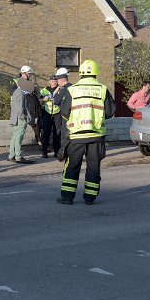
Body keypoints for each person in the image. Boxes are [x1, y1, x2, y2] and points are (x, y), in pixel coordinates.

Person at [56, 60, 114, 205]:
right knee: (94, 166)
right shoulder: (102, 89)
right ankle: (89, 198)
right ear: (96, 72)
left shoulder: (72, 89)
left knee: (72, 166)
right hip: (96, 135)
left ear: (80, 72)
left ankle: (67, 198)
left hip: (76, 135)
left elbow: (64, 112)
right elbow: (110, 112)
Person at [8, 78, 34, 164]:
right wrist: (23, 117)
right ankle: (18, 156)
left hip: (15, 118)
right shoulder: (21, 93)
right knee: (18, 137)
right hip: (20, 118)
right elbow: (20, 108)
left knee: (15, 137)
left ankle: (12, 155)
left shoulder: (16, 92)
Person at [38, 75, 60, 158]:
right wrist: (43, 100)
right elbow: (39, 102)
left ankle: (56, 151)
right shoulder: (44, 91)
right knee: (45, 133)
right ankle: (44, 151)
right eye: (53, 81)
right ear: (49, 82)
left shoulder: (60, 90)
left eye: (55, 81)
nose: (54, 82)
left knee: (57, 133)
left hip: (57, 113)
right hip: (47, 113)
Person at [51, 67, 71, 148]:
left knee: (65, 138)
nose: (57, 82)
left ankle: (67, 157)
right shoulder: (73, 87)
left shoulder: (63, 90)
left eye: (58, 80)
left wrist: (58, 89)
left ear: (62, 80)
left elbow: (56, 100)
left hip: (66, 118)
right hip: (74, 117)